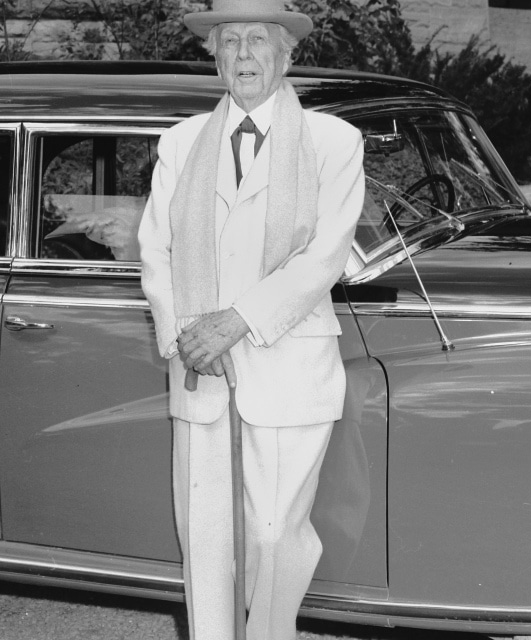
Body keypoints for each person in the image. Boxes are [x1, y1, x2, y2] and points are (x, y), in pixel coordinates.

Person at [135, 0, 365, 637]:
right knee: (205, 542)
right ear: (213, 56)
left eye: (258, 40)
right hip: (200, 369)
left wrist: (236, 321)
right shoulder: (182, 143)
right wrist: (186, 336)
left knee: (273, 536)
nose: (243, 54)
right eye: (229, 41)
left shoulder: (332, 142)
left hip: (287, 364)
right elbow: (156, 250)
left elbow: (325, 257)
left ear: (286, 55)